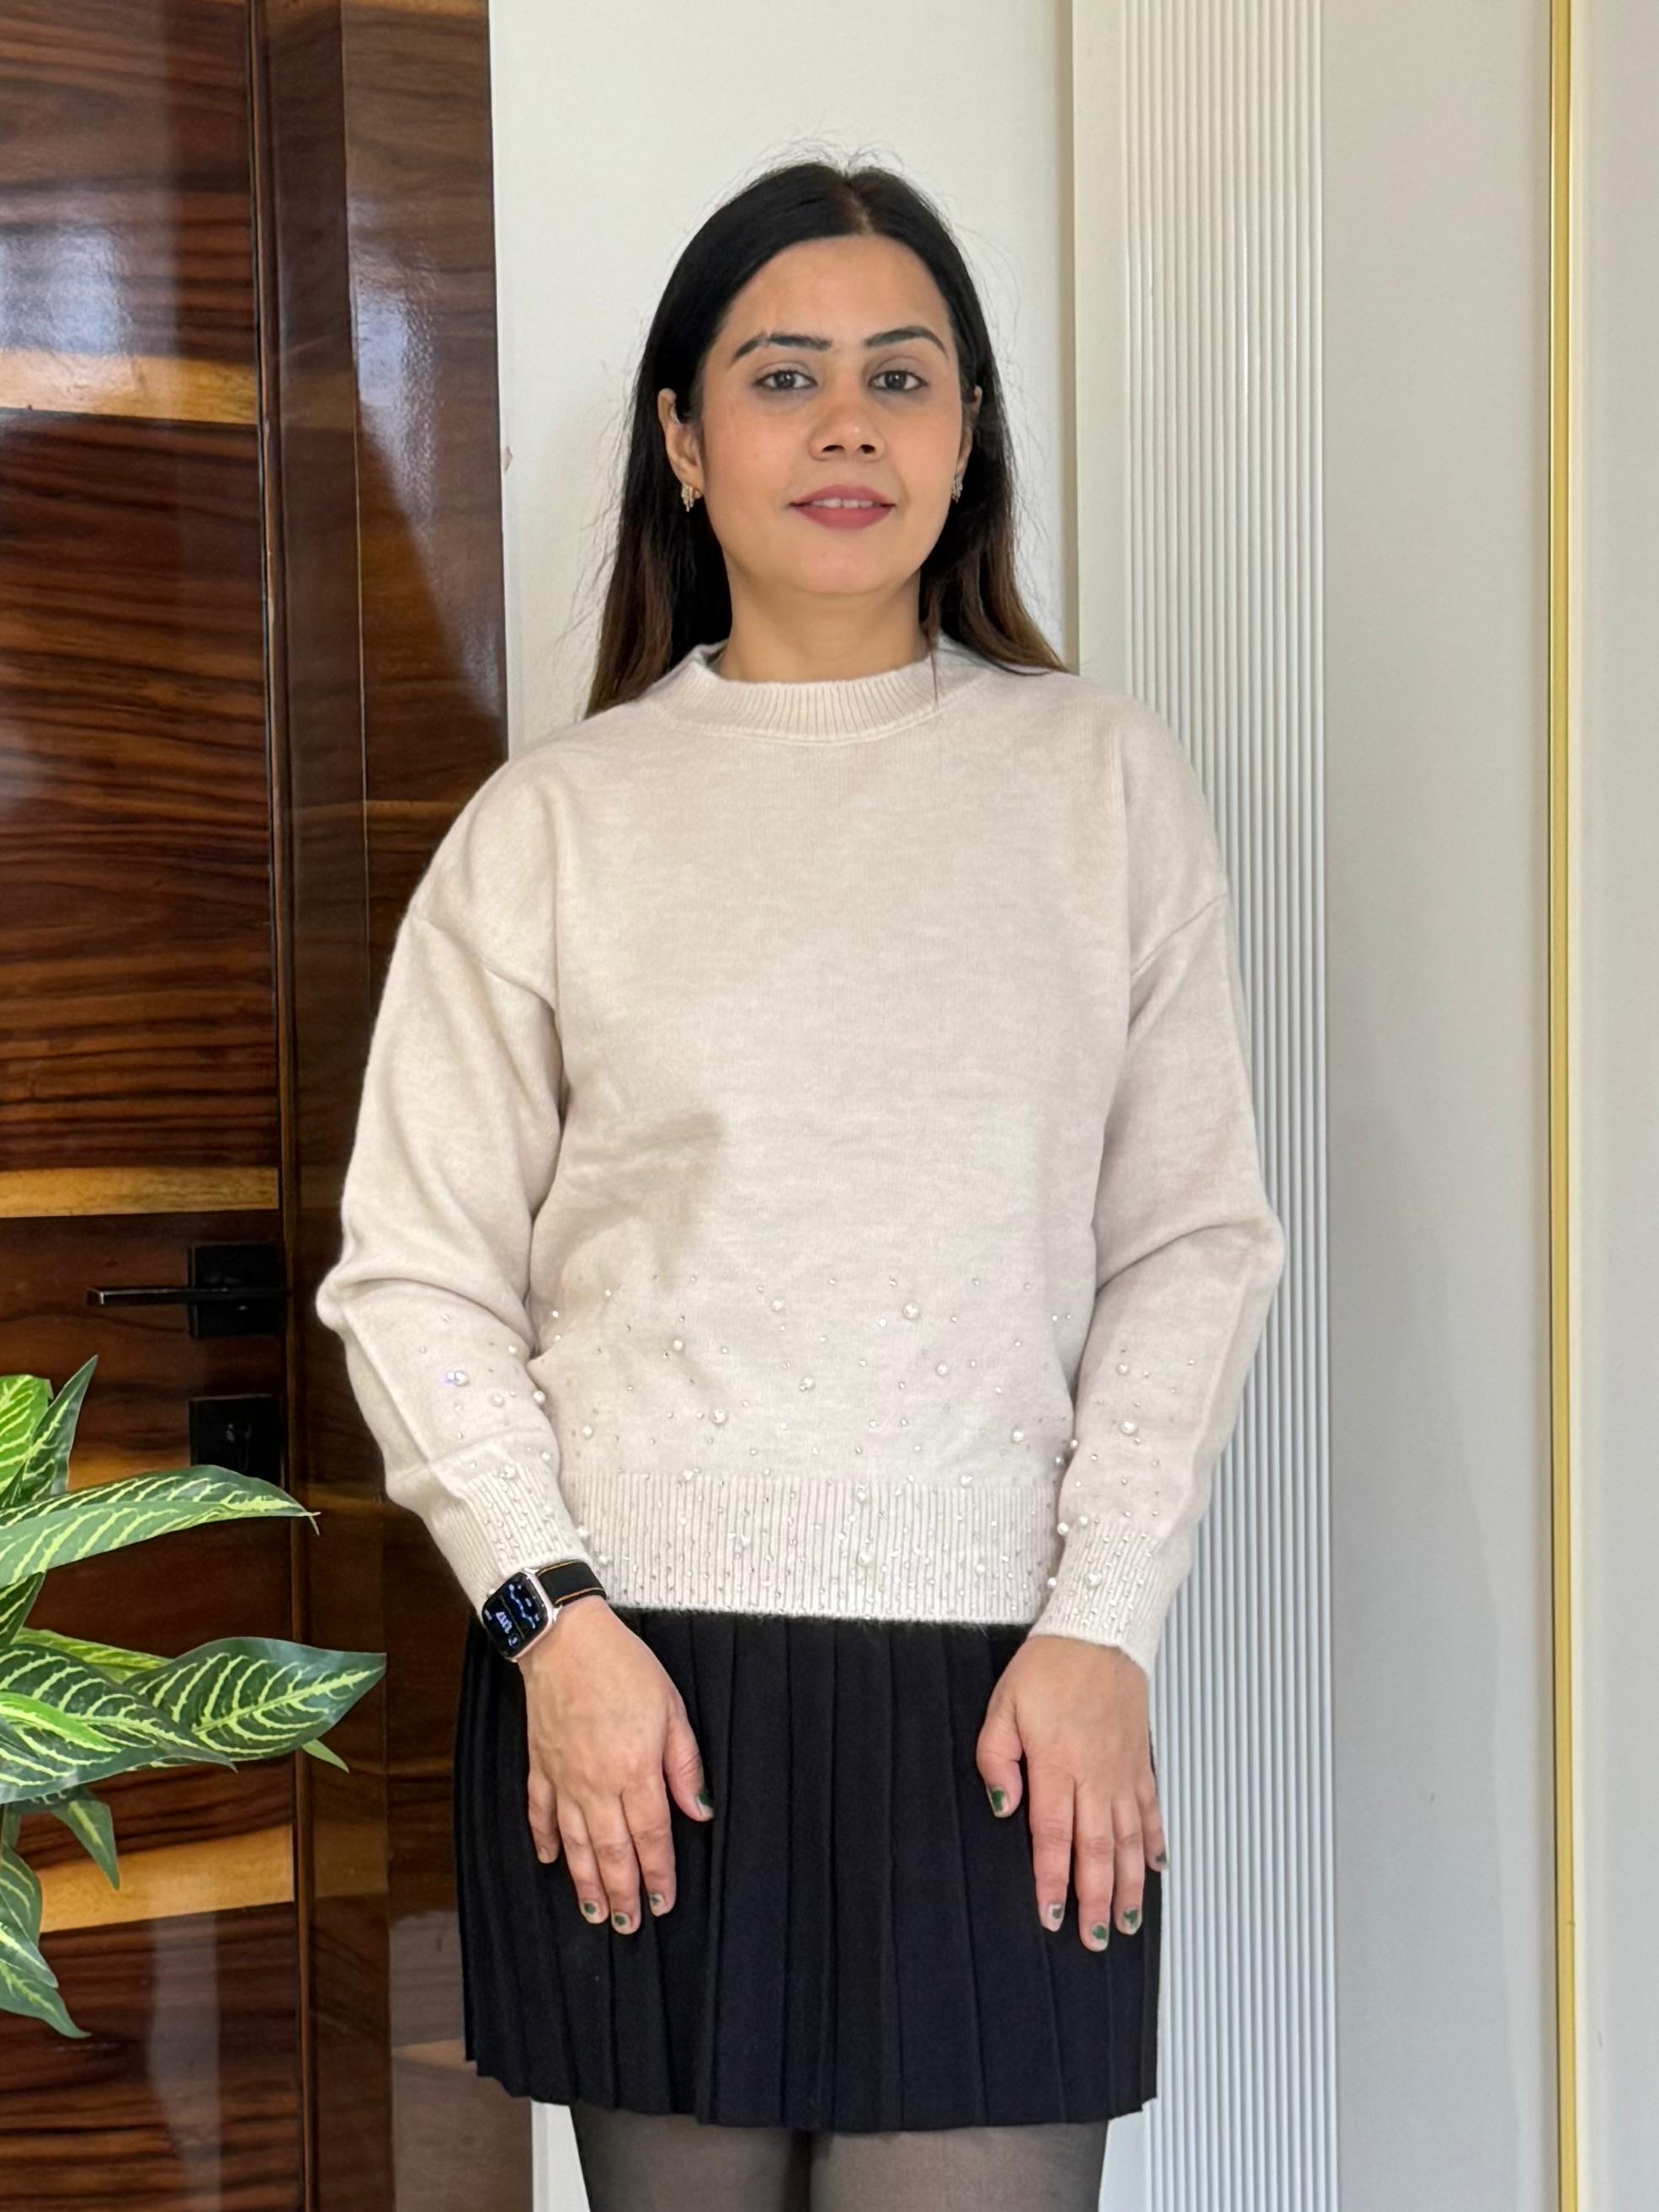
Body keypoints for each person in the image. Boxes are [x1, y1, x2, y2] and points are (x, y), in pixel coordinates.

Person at [314, 156, 1286, 2212]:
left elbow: (1189, 1243)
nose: (846, 424)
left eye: (898, 376)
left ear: (964, 434)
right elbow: (412, 1274)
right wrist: (548, 1622)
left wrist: (1102, 1625)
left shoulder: (1099, 785)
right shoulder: (553, 827)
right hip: (629, 1688)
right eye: (782, 376)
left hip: (1007, 1688)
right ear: (683, 441)